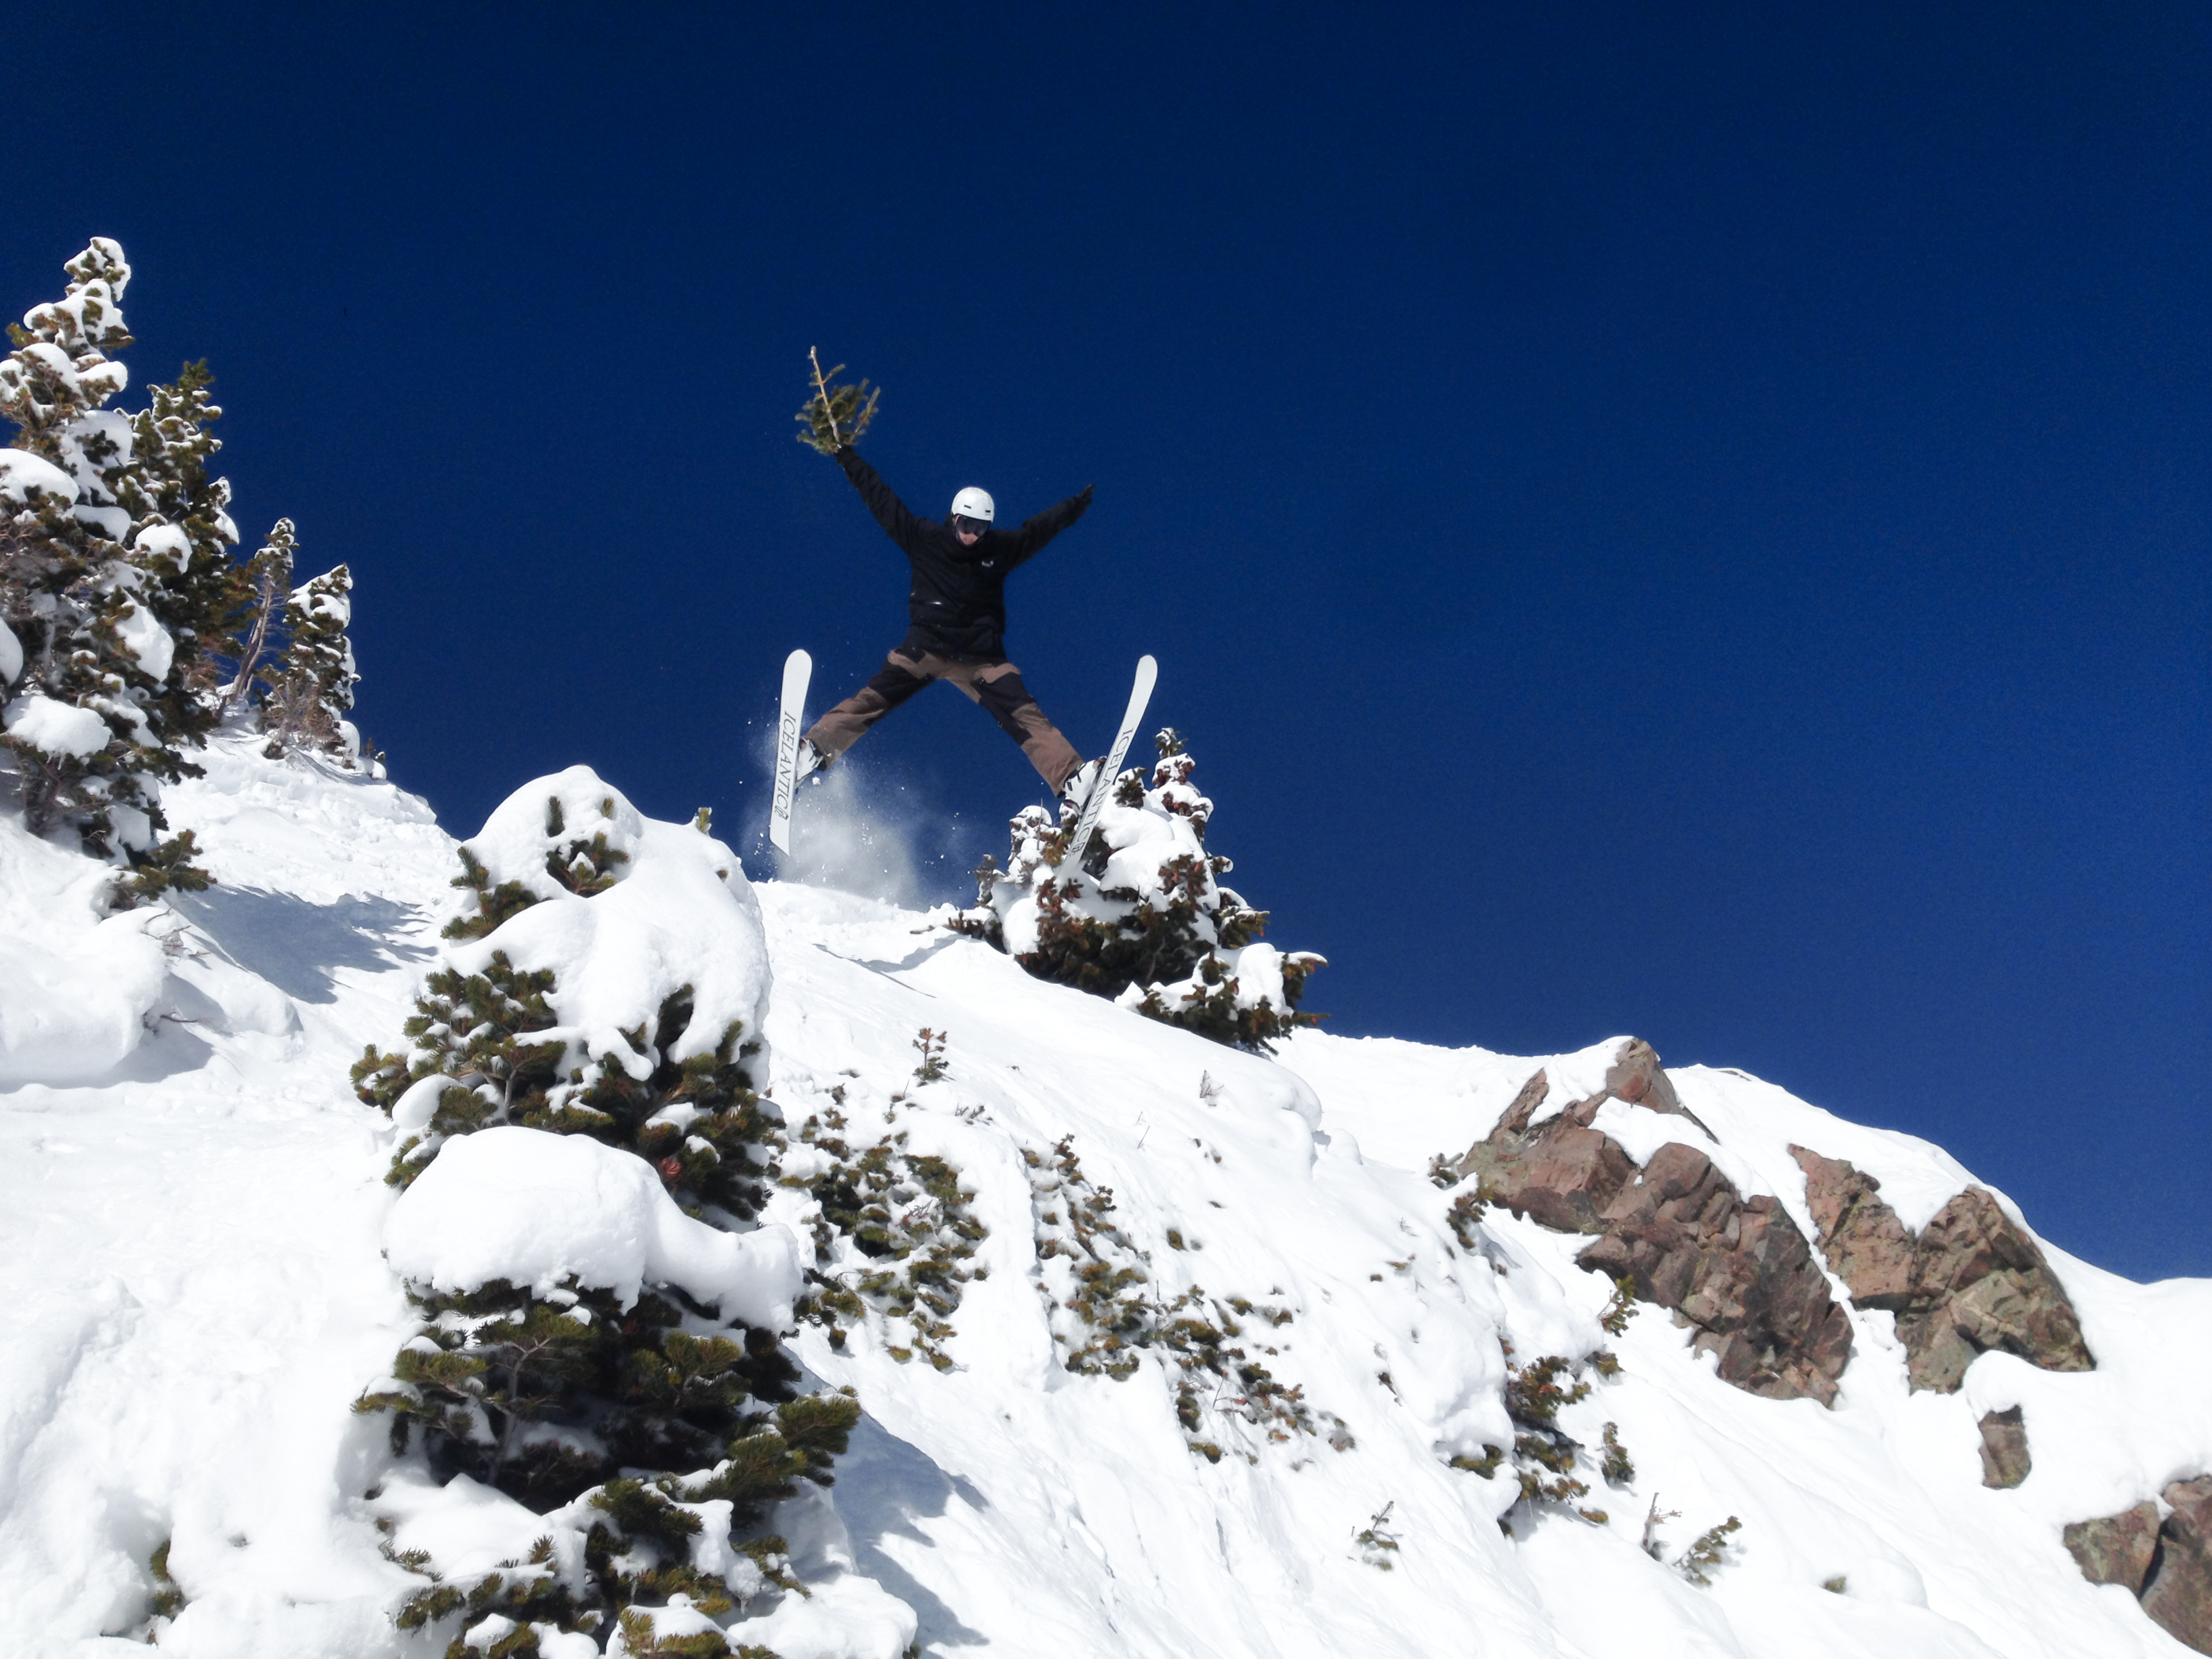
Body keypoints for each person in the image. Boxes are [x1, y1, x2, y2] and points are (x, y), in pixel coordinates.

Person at [798, 443, 1099, 805]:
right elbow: (879, 497)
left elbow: (1040, 530)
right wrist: (846, 455)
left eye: (981, 528)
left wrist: (1075, 506)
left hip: (981, 658)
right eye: (967, 525)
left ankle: (1071, 781)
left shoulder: (999, 549)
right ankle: (814, 749)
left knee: (1024, 714)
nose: (972, 534)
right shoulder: (923, 537)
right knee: (874, 699)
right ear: (954, 518)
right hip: (925, 648)